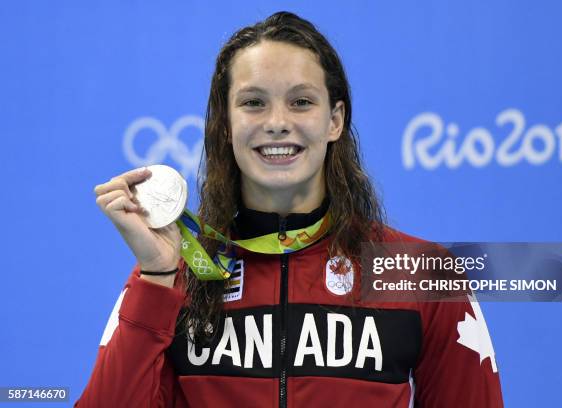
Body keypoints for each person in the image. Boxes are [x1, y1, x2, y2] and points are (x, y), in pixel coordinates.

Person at [77, 11, 503, 408]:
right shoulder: (176, 271)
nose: (277, 121)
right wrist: (155, 277)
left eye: (301, 102)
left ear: (334, 120)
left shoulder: (419, 272)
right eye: (253, 102)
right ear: (225, 124)